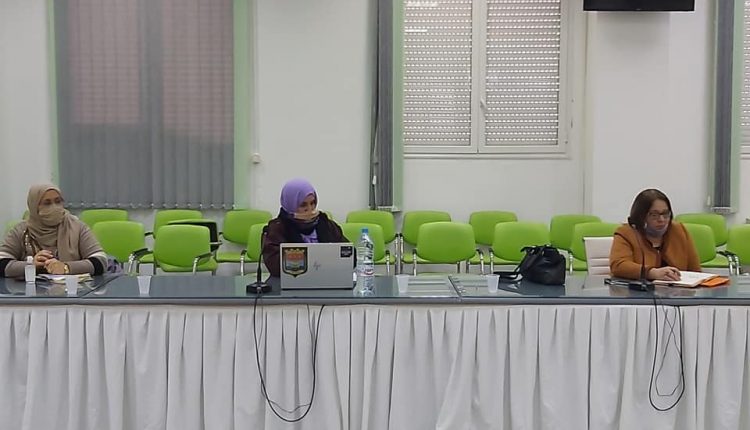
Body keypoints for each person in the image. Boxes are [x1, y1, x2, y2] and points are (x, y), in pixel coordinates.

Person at [0, 184, 108, 278]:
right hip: (29, 292)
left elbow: (100, 261)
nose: (54, 207)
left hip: (72, 291)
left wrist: (66, 267)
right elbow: (2, 261)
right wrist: (30, 265)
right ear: (34, 206)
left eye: (58, 201)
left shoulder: (77, 227)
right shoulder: (21, 230)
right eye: (47, 203)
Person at [610, 188, 701, 281]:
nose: (661, 219)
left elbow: (695, 270)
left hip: (678, 288)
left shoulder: (678, 230)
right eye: (654, 215)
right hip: (641, 289)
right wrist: (652, 273)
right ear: (641, 216)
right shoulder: (626, 233)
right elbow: (618, 265)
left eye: (665, 214)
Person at [262, 178, 347, 277]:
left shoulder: (325, 224)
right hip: (292, 281)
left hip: (327, 278)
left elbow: (349, 255)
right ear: (290, 204)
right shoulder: (277, 228)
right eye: (303, 205)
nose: (309, 209)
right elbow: (274, 266)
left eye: (312, 203)